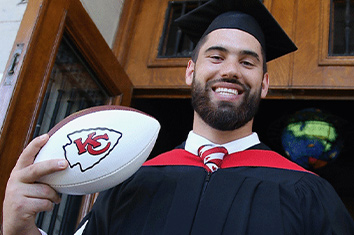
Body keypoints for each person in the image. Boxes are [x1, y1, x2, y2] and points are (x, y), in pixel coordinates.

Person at [3, 0, 354, 234]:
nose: (231, 71)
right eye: (216, 57)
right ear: (190, 71)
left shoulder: (309, 193)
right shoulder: (130, 182)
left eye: (247, 62)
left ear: (264, 83)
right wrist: (20, 229)